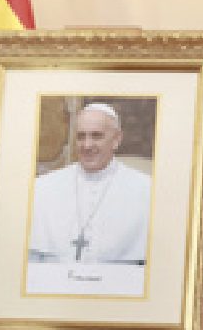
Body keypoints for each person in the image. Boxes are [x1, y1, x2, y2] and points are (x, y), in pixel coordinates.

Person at [28, 102, 152, 264]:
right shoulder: (42, 189)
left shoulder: (146, 190)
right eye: (81, 136)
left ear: (116, 139)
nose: (87, 145)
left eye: (96, 136)